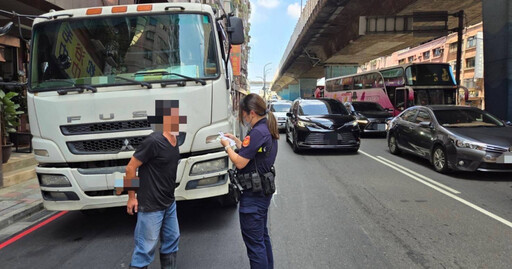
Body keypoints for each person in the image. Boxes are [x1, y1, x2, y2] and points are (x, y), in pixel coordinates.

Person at [220, 93, 279, 269]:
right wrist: (237, 141)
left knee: (255, 245)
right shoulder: (266, 127)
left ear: (251, 113)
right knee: (261, 238)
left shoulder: (257, 132)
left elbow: (239, 162)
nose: (243, 118)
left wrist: (227, 146)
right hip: (261, 192)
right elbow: (252, 152)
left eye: (244, 114)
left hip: (254, 196)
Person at [126, 100, 183, 269]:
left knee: (172, 240)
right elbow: (130, 168)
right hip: (151, 205)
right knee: (145, 249)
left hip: (169, 202)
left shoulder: (175, 140)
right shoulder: (153, 141)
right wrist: (131, 198)